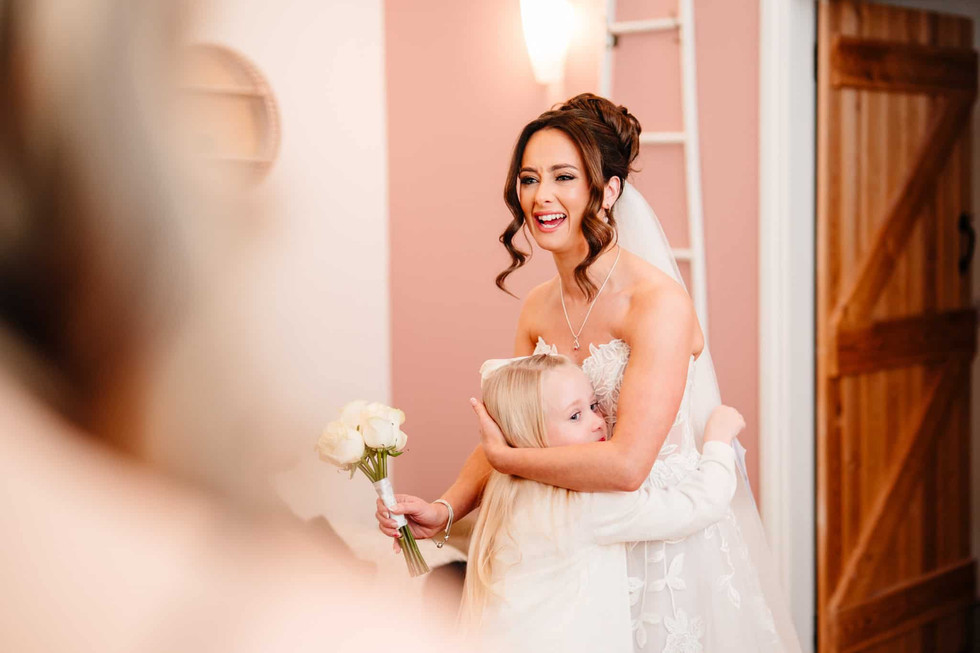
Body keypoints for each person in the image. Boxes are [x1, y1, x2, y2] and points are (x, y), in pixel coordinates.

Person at [377, 93, 801, 651]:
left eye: (563, 177)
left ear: (609, 190)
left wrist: (510, 461)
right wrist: (446, 506)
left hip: (659, 546)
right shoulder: (537, 308)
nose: (541, 197)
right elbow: (514, 428)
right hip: (569, 559)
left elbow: (627, 466)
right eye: (529, 179)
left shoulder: (657, 305)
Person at [462, 354, 742, 653]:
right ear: (529, 433)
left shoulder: (506, 488)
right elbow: (697, 505)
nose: (598, 422)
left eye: (593, 406)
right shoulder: (588, 500)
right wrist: (718, 443)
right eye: (575, 416)